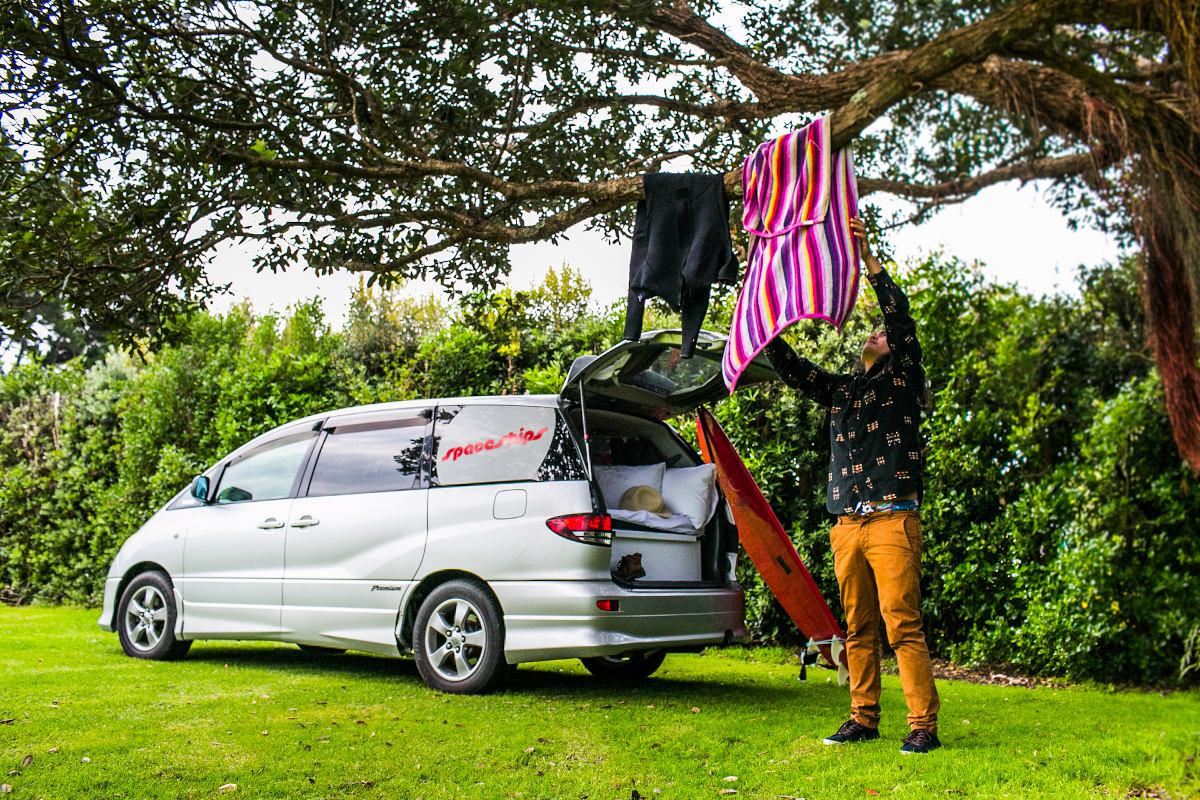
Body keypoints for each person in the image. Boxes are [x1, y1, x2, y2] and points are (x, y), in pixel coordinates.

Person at [763, 217, 941, 755]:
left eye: (882, 334)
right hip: (847, 525)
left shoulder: (904, 381)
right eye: (874, 332)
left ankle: (923, 728)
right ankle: (863, 718)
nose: (877, 332)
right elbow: (792, 368)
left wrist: (870, 261)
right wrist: (764, 317)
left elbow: (901, 321)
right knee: (858, 627)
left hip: (891, 518)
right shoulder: (842, 392)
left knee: (901, 624)